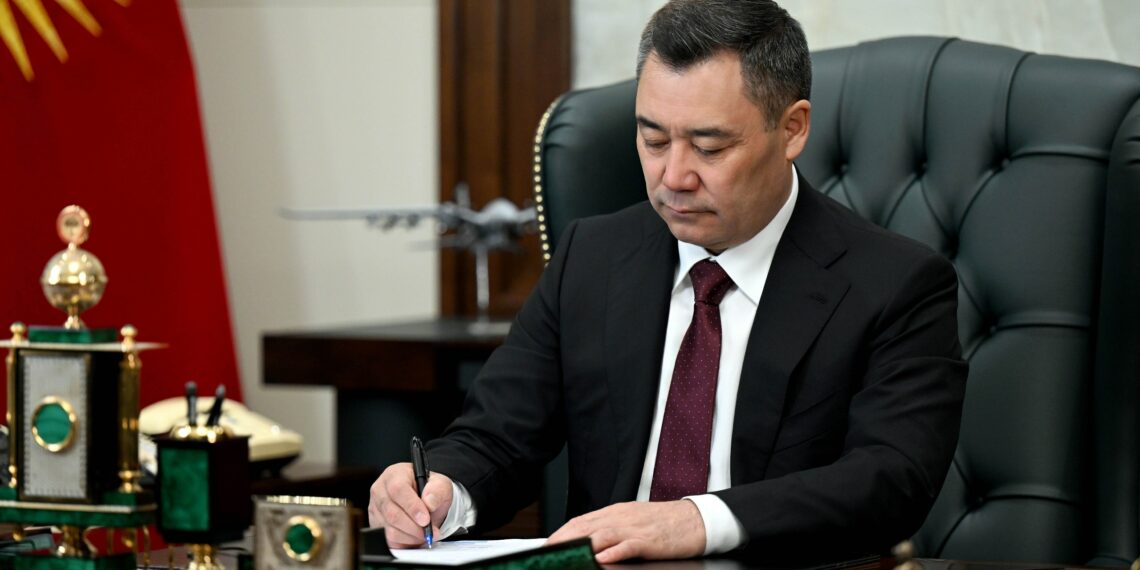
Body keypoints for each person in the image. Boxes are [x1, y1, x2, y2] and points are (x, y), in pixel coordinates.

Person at [369, 0, 967, 564]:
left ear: (792, 129)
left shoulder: (894, 284)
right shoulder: (592, 258)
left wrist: (697, 520)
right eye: (653, 140)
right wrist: (443, 490)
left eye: (710, 147)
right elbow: (497, 437)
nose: (673, 176)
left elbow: (890, 479)